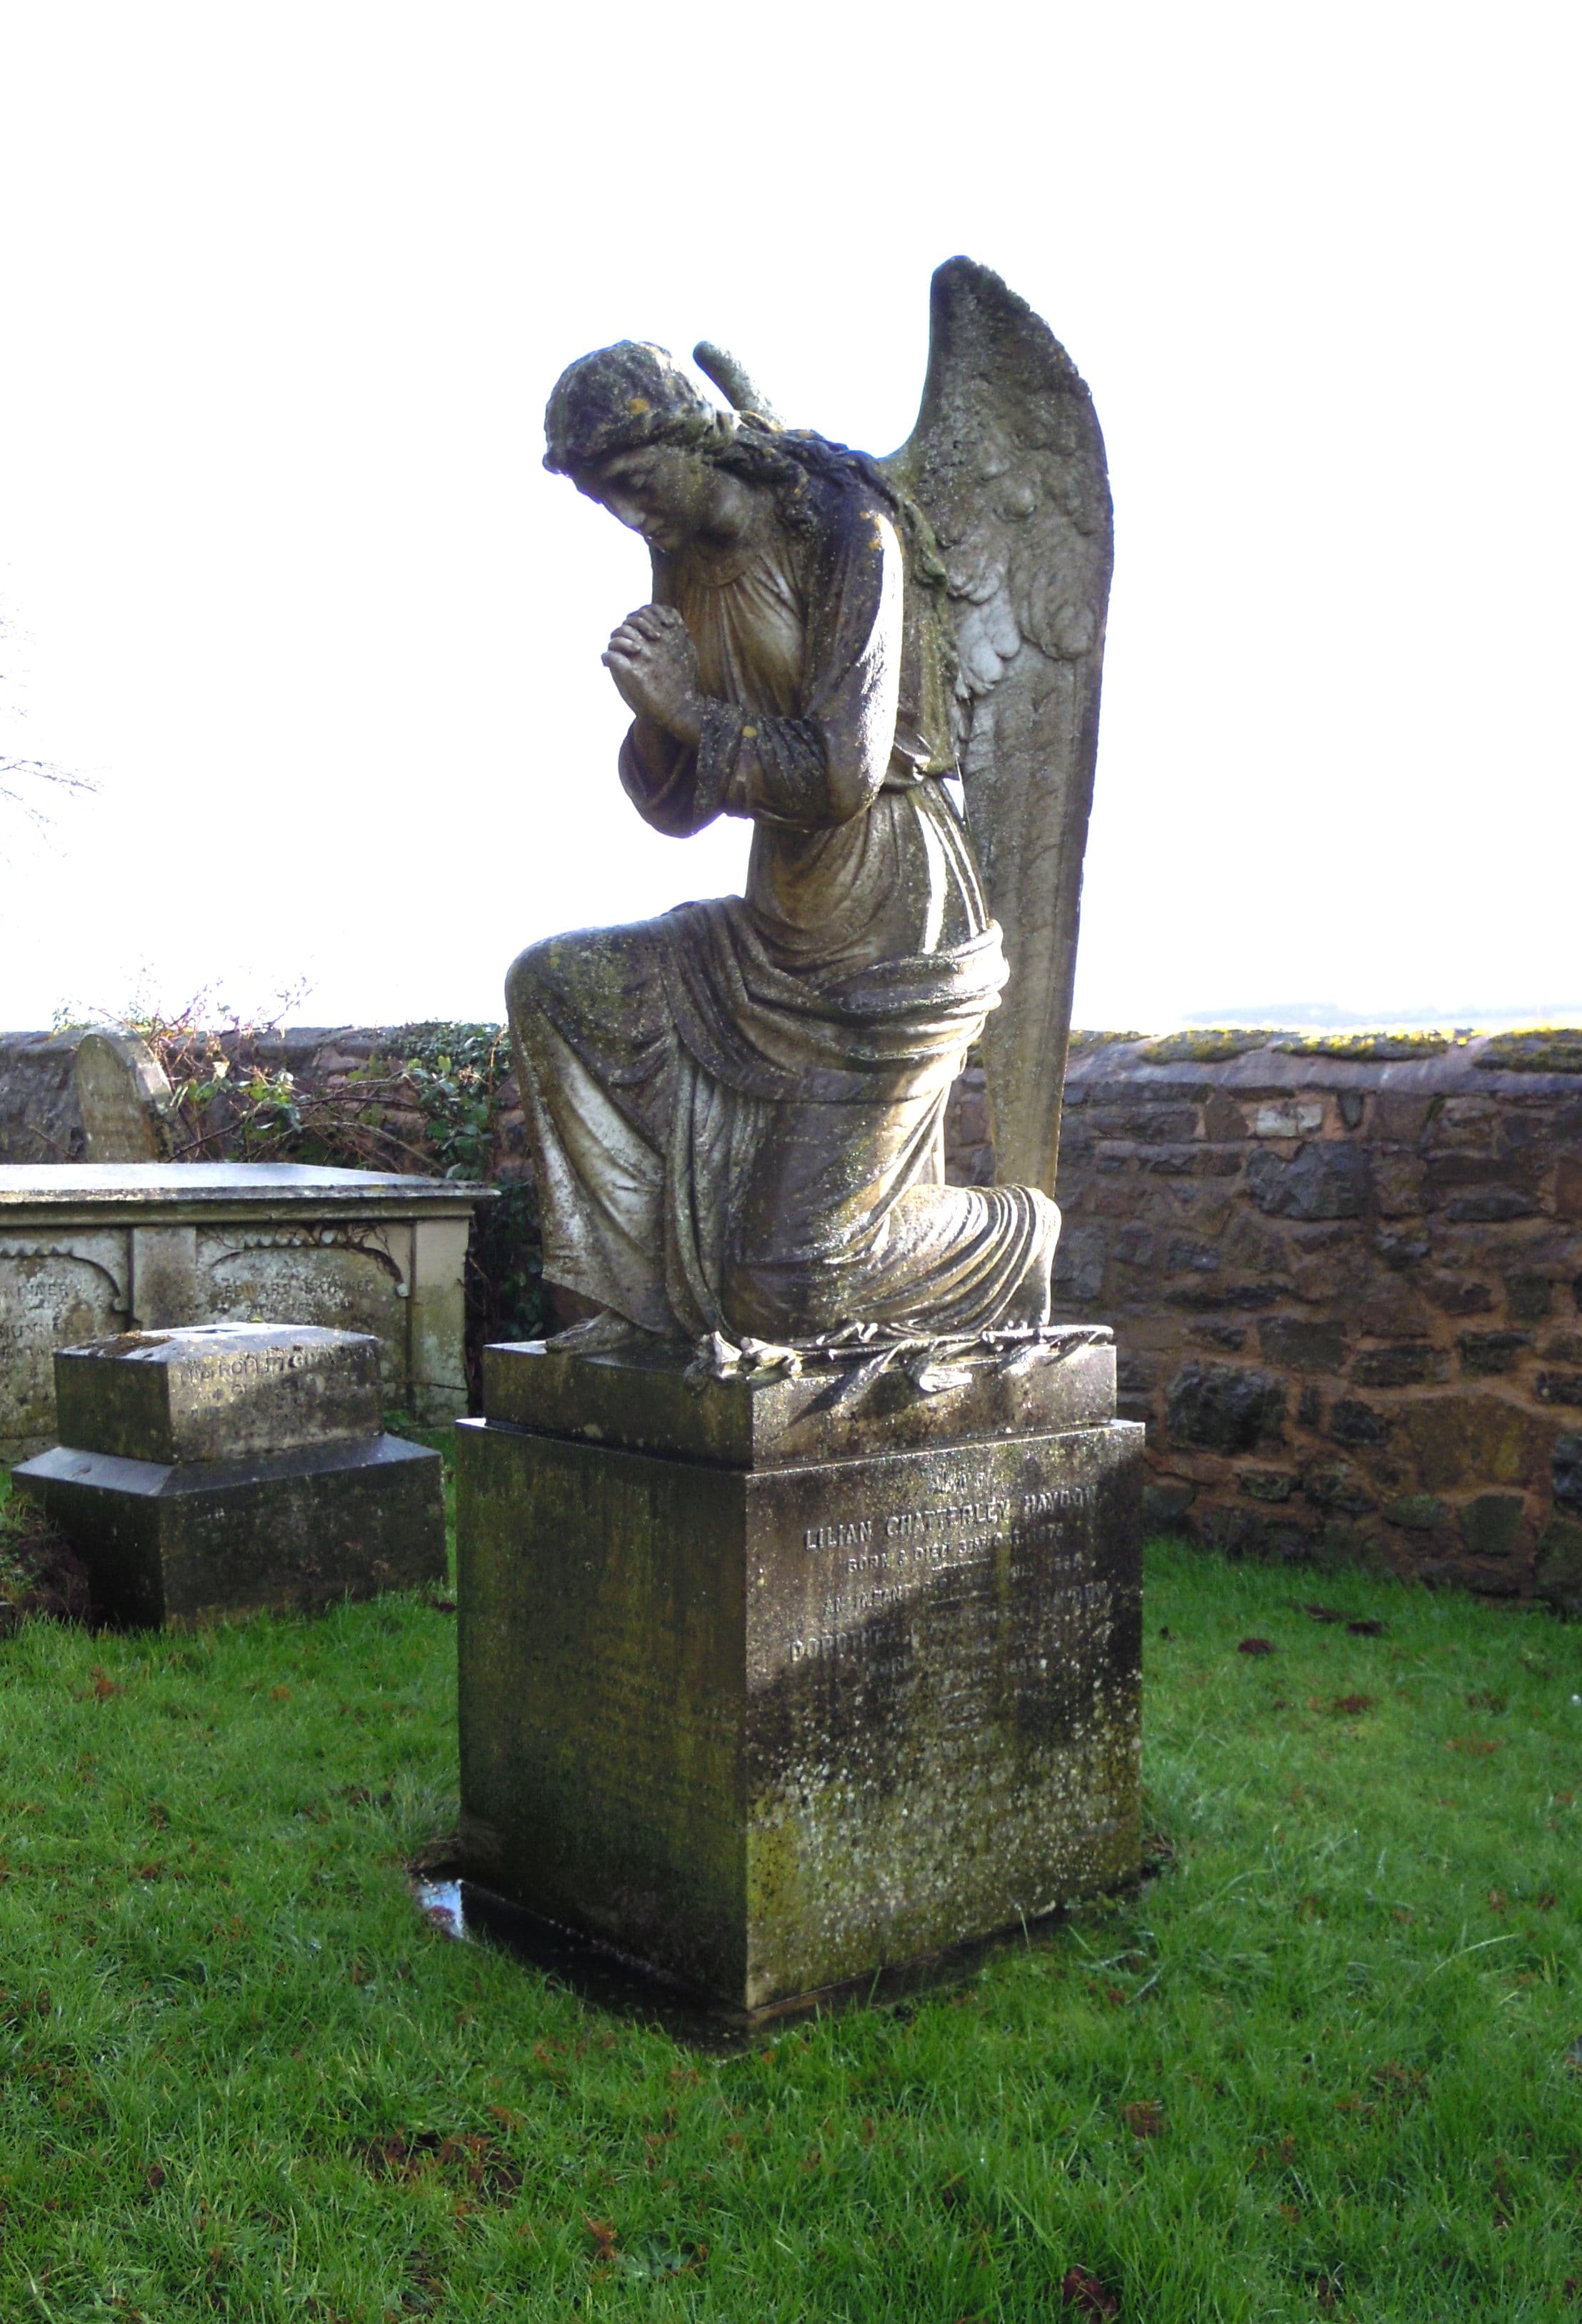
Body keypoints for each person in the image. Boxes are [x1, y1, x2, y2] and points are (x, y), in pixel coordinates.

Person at [506, 340, 1059, 1349]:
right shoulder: (680, 554)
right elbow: (677, 812)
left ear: (688, 436)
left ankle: (1012, 1237)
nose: (632, 516)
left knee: (787, 1289)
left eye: (633, 483)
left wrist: (691, 713)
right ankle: (638, 1316)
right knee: (553, 985)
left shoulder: (848, 527)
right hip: (776, 928)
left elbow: (845, 772)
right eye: (607, 503)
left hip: (896, 930)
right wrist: (655, 717)